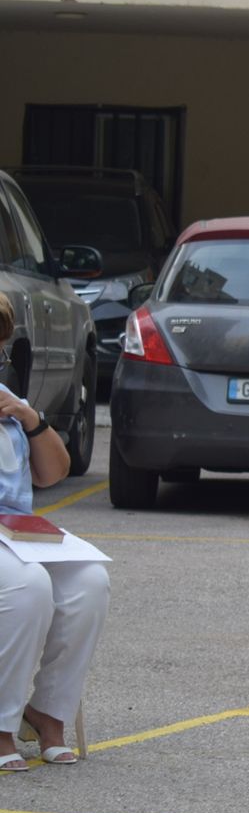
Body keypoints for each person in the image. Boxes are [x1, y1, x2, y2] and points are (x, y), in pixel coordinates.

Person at [0, 293, 110, 771]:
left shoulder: (10, 403)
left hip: (15, 530)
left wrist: (31, 419)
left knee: (90, 581)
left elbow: (53, 474)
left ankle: (47, 711)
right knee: (28, 586)